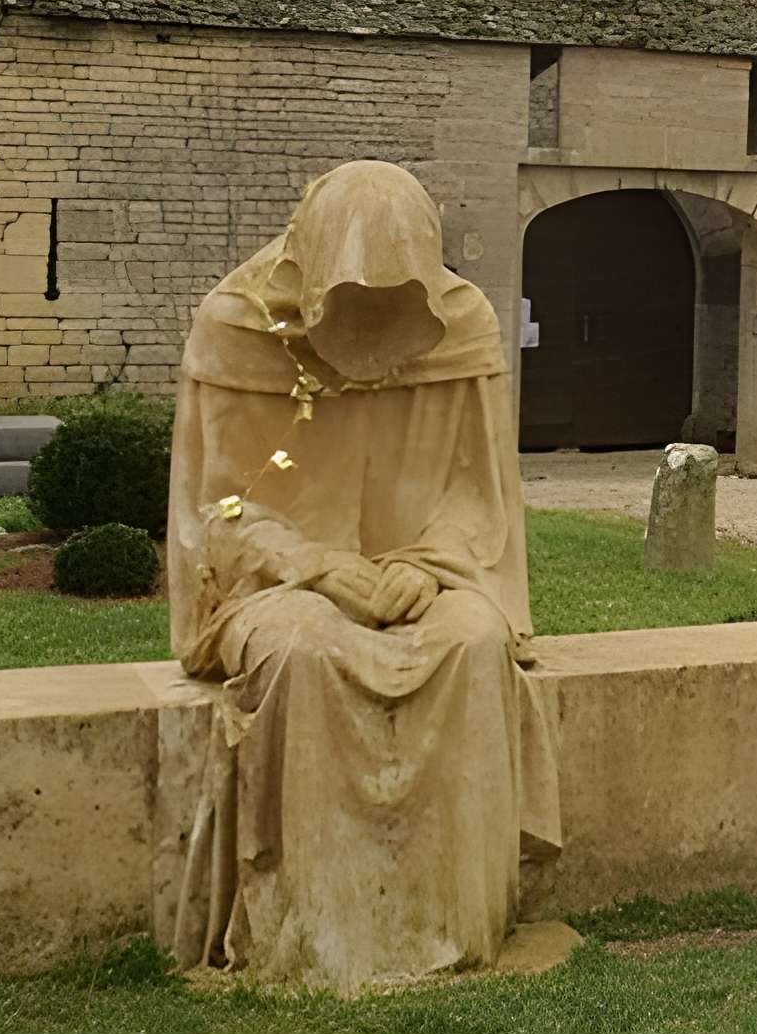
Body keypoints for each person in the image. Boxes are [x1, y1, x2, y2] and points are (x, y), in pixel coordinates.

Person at [162, 160, 559, 992]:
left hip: (426, 576)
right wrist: (310, 566)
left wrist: (429, 566)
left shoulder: (465, 326)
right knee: (302, 656)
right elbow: (219, 507)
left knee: (471, 643)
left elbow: (476, 494)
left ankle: (457, 925)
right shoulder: (235, 326)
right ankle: (312, 935)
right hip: (276, 585)